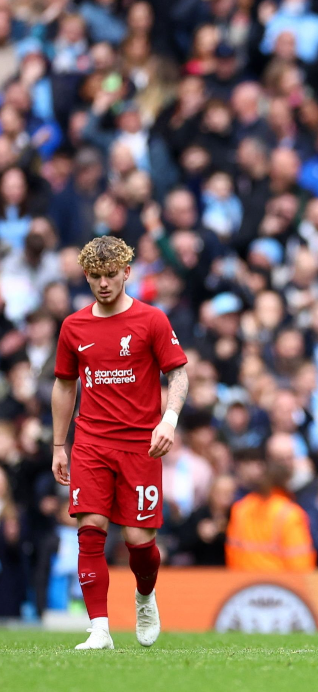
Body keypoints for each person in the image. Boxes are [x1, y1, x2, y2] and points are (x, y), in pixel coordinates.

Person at [49, 236, 189, 651]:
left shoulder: (152, 320)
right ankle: (99, 629)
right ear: (86, 276)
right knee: (89, 529)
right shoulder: (73, 326)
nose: (104, 283)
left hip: (141, 446)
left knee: (138, 543)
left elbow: (178, 374)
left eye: (111, 275)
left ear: (127, 272)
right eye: (95, 276)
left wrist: (169, 420)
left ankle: (145, 596)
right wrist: (59, 445)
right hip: (91, 442)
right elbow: (64, 384)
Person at [225, 435, 317, 572]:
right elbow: (300, 565)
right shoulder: (290, 514)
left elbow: (232, 554)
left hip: (244, 583)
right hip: (279, 584)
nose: (287, 463)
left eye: (290, 457)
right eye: (282, 459)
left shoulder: (241, 508)